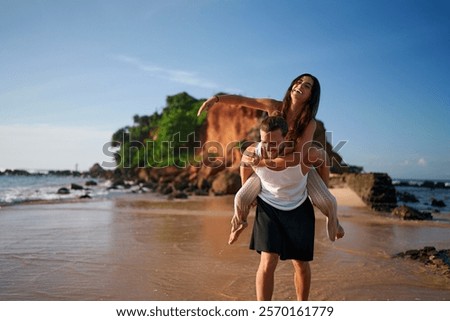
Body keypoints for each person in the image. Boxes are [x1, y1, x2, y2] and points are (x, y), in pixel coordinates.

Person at [197, 73, 344, 244]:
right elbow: (242, 101)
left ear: (311, 96)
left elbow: (298, 157)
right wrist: (216, 99)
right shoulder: (275, 107)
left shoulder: (308, 123)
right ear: (291, 86)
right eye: (298, 82)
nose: (300, 86)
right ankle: (240, 222)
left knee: (328, 199)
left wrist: (263, 162)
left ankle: (333, 220)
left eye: (307, 86)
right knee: (241, 198)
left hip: (294, 169)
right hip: (267, 167)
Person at [242, 115, 315, 300]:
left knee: (300, 264)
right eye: (265, 141)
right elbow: (244, 166)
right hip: (269, 207)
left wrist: (322, 188)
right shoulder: (254, 151)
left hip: (298, 207)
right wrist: (249, 193)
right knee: (267, 261)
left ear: (285, 137)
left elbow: (320, 160)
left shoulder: (296, 154)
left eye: (274, 143)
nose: (268, 148)